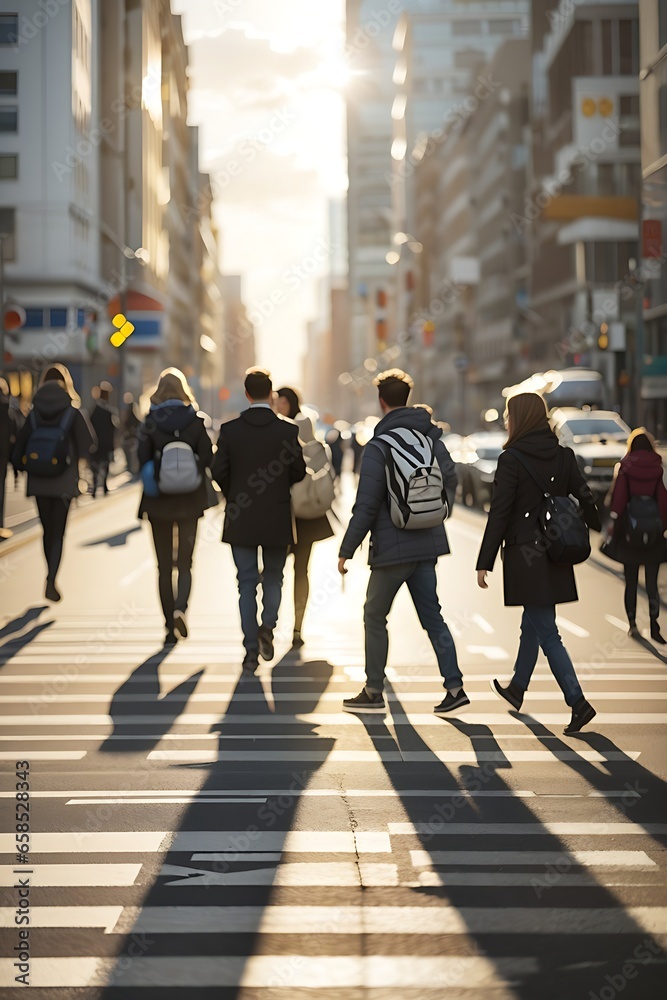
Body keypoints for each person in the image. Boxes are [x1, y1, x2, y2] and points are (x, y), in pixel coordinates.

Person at [338, 368, 465, 715]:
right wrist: (438, 513)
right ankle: (454, 687)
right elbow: (450, 477)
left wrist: (346, 550)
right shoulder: (431, 439)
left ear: (381, 402)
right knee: (433, 617)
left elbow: (365, 505)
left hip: (391, 550)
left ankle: (373, 689)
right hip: (428, 545)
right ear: (407, 399)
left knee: (374, 614)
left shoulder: (379, 446)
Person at [476, 392, 601, 734]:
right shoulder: (564, 455)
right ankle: (517, 687)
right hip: (556, 551)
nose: (505, 419)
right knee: (532, 622)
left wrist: (484, 561)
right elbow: (584, 494)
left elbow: (499, 513)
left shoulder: (511, 459)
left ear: (519, 418)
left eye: (508, 414)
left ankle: (577, 701)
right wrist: (600, 523)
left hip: (525, 555)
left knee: (546, 629)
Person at [212, 367, 306, 672]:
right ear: (271, 394)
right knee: (275, 577)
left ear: (247, 393)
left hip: (241, 516)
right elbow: (298, 472)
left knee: (246, 583)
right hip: (277, 515)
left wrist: (236, 494)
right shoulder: (288, 430)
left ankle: (250, 649)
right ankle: (268, 627)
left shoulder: (230, 430)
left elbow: (218, 472)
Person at [137, 368, 214, 645]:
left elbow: (141, 459)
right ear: (184, 391)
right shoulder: (196, 420)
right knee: (185, 563)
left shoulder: (150, 421)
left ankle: (169, 626)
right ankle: (182, 607)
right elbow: (208, 457)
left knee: (163, 566)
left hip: (158, 501)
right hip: (190, 500)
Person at [12, 364, 96, 601]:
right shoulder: (72, 411)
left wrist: (21, 466)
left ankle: (49, 573)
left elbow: (19, 447)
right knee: (58, 532)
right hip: (64, 482)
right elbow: (88, 444)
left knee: (47, 530)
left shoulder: (34, 412)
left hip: (39, 480)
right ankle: (51, 578)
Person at [604, 428, 667, 643]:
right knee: (652, 584)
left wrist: (613, 524)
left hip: (630, 535)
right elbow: (663, 501)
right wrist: (662, 528)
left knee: (631, 582)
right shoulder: (658, 468)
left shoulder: (625, 467)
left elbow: (618, 501)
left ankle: (632, 624)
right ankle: (654, 623)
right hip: (654, 535)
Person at [0, 377, 22, 539]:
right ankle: (0, 524)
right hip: (2, 457)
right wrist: (16, 466)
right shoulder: (8, 410)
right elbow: (15, 437)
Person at [89, 381, 119, 497]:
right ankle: (104, 486)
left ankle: (96, 486)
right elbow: (113, 429)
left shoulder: (94, 410)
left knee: (96, 465)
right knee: (105, 464)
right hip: (105, 443)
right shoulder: (109, 412)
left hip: (96, 443)